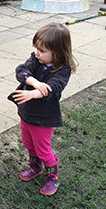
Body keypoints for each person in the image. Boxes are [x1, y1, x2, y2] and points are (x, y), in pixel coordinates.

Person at [8, 23, 77, 196]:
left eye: (42, 50)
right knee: (28, 143)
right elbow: (21, 71)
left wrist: (33, 94)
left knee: (43, 150)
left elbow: (52, 88)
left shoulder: (63, 70)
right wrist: (34, 83)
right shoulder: (35, 59)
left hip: (44, 118)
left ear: (58, 52)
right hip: (26, 113)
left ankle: (53, 177)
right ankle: (35, 167)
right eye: (36, 48)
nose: (36, 52)